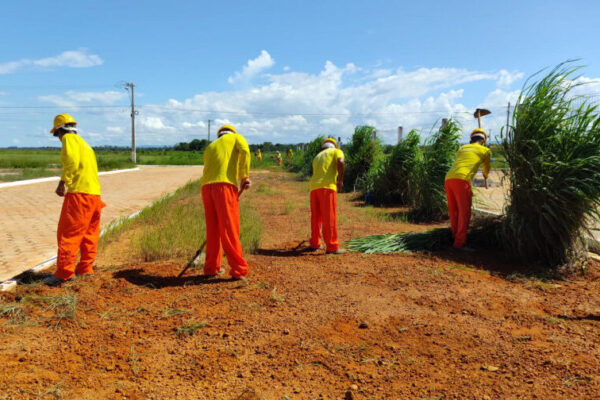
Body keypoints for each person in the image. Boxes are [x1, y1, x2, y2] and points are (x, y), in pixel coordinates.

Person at [44, 114, 105, 286]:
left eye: (57, 134)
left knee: (68, 234)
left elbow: (71, 161)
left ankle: (64, 273)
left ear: (60, 130)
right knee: (89, 234)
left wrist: (63, 182)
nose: (58, 138)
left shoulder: (69, 139)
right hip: (94, 195)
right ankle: (85, 269)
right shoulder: (85, 144)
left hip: (79, 195)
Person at [200, 124, 251, 280]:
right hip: (225, 187)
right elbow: (245, 151)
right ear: (231, 132)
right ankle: (238, 269)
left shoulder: (210, 146)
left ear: (219, 135)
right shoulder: (236, 137)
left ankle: (211, 268)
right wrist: (244, 176)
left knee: (213, 230)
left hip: (206, 188)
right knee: (229, 229)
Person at [444, 128, 491, 250]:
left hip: (449, 178)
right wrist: (486, 176)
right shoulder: (486, 151)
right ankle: (460, 244)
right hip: (462, 180)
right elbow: (486, 170)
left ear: (472, 138)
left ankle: (454, 237)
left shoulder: (462, 148)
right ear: (483, 140)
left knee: (454, 210)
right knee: (464, 212)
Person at [308, 138, 345, 254]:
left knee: (316, 217)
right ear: (334, 145)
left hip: (314, 188)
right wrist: (340, 181)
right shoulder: (336, 151)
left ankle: (315, 243)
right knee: (329, 217)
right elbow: (341, 162)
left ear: (323, 147)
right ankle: (332, 246)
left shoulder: (317, 157)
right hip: (327, 188)